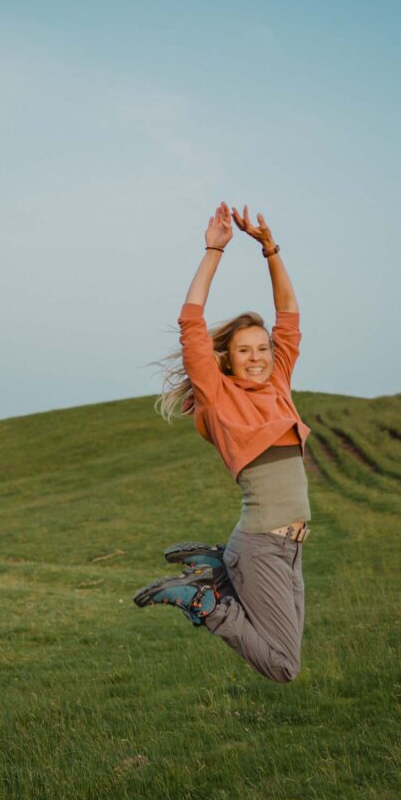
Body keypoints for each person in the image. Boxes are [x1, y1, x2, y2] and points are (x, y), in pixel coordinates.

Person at [134, 203, 312, 683]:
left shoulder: (277, 386)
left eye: (263, 349)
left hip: (289, 548)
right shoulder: (218, 396)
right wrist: (214, 250)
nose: (257, 358)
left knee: (290, 651)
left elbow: (289, 316)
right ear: (226, 360)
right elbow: (191, 322)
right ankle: (205, 600)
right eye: (244, 351)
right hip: (260, 545)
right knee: (283, 667)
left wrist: (270, 250)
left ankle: (215, 568)